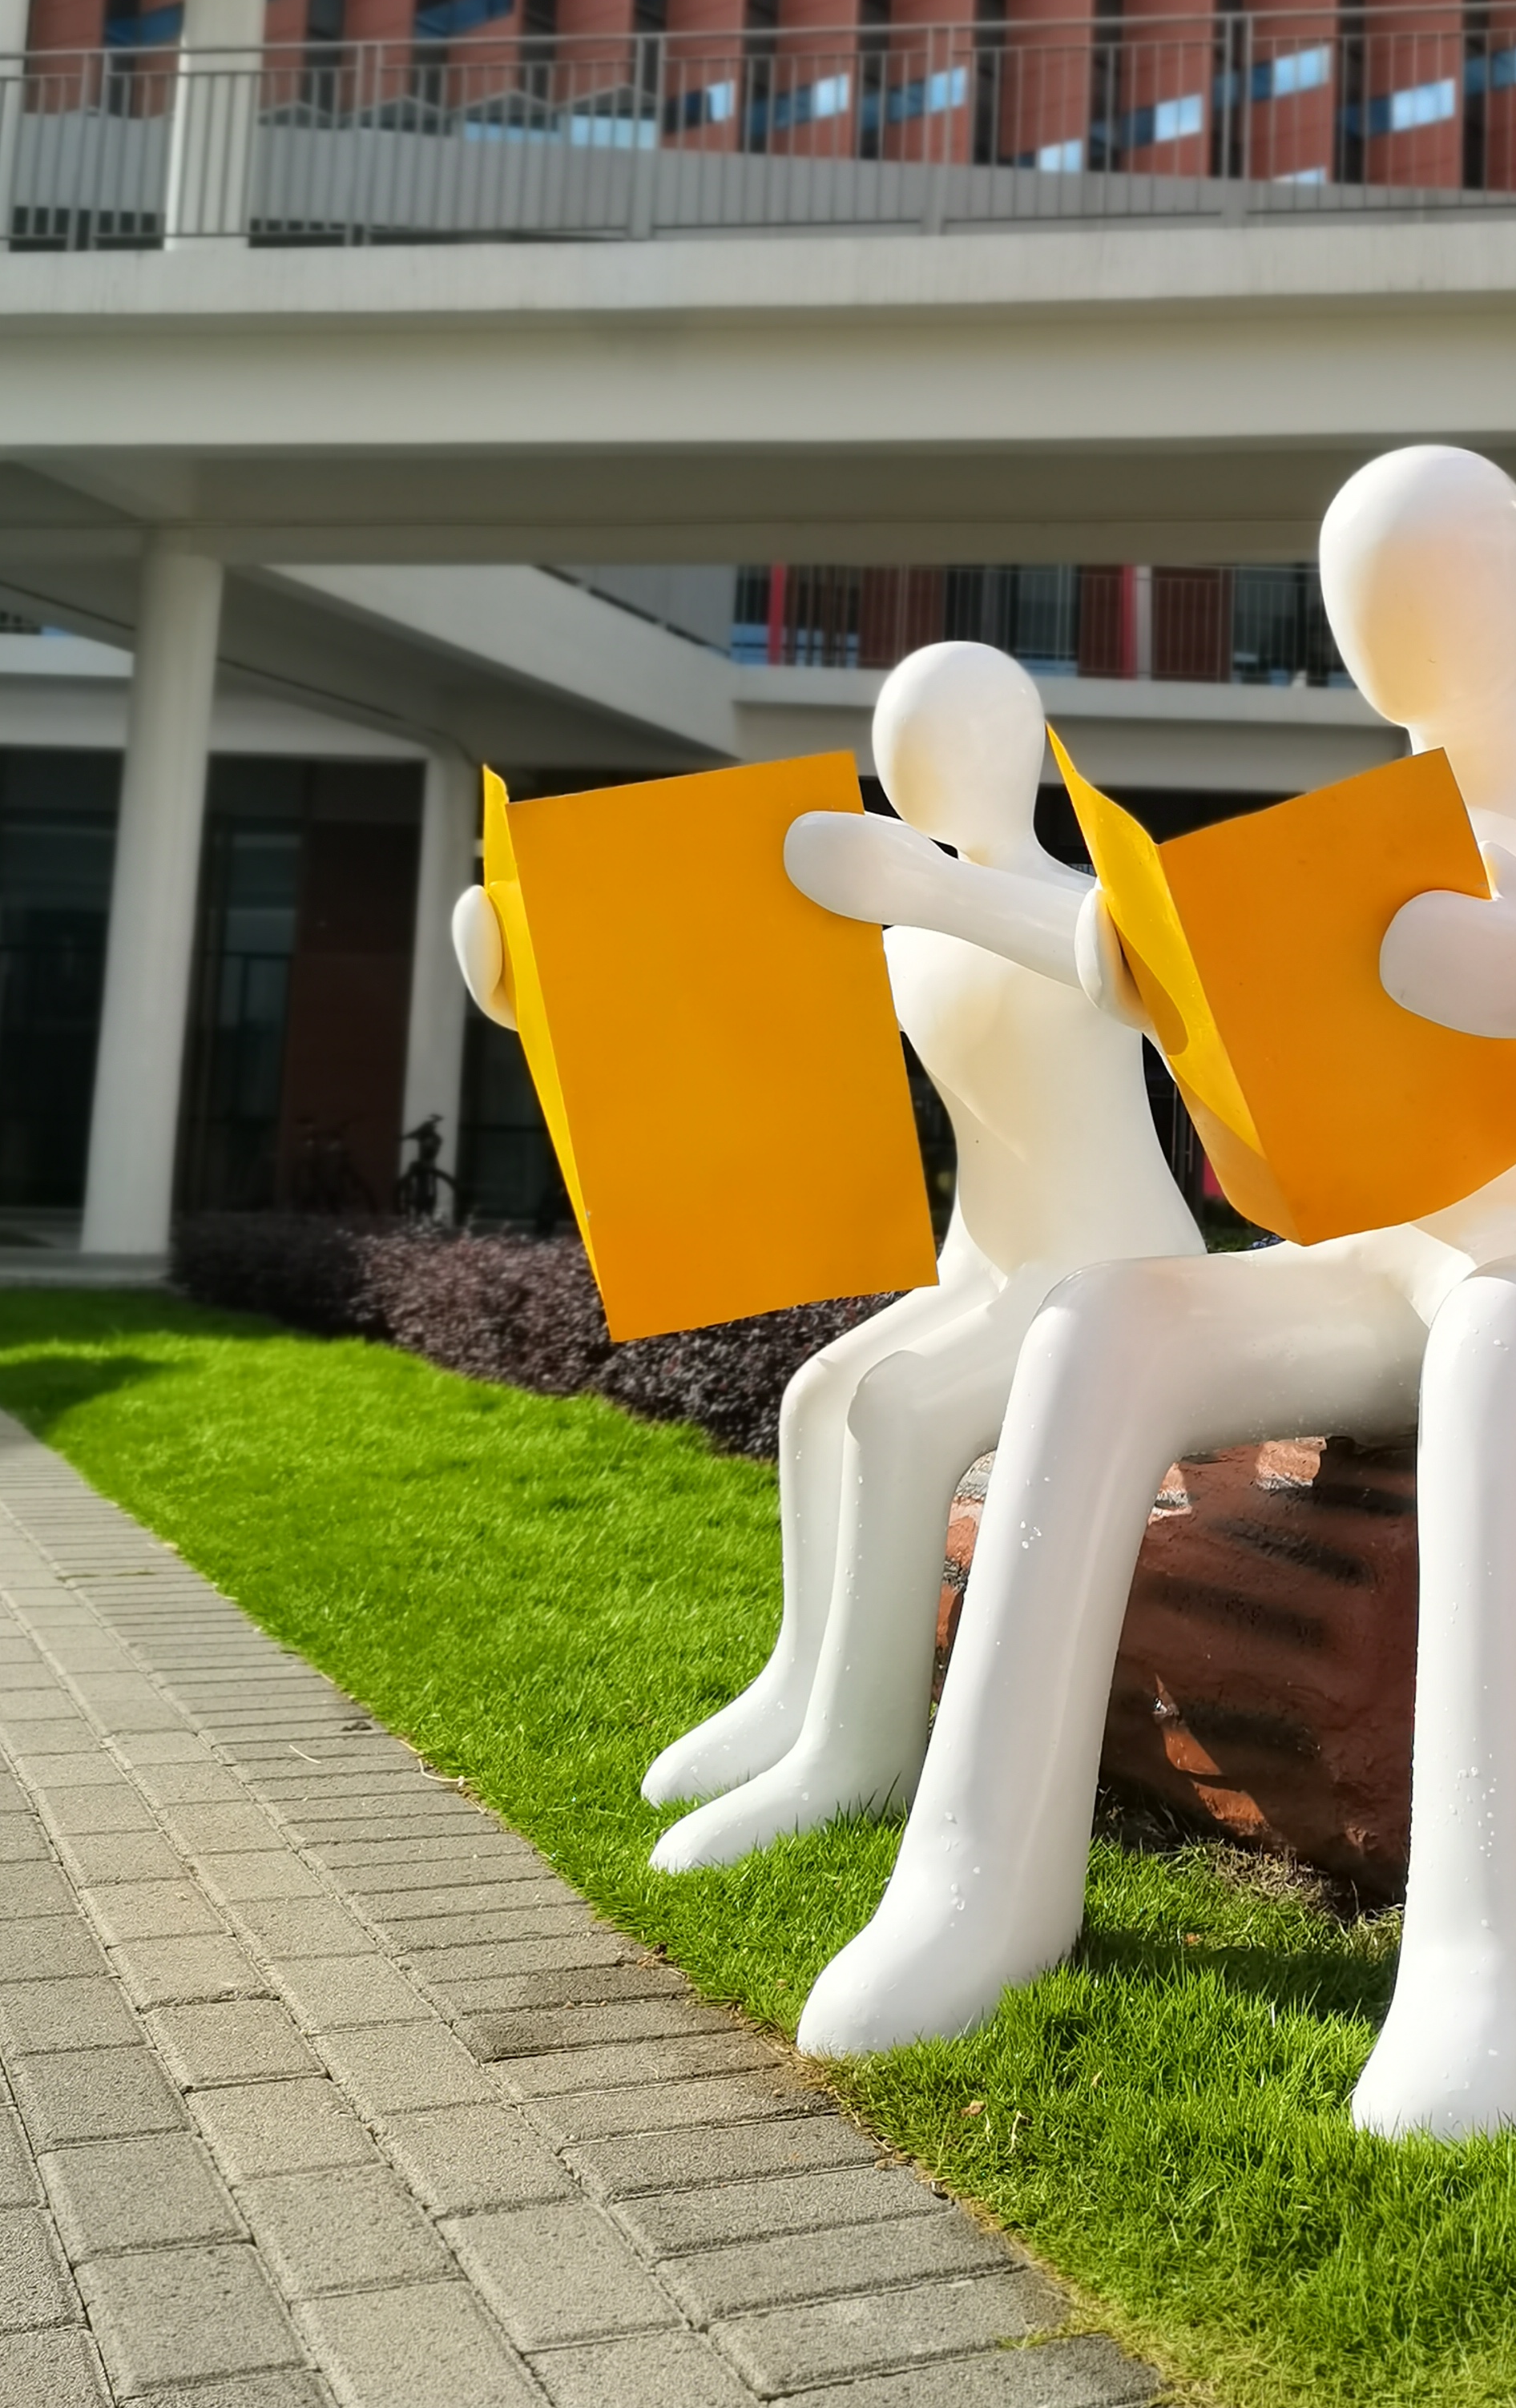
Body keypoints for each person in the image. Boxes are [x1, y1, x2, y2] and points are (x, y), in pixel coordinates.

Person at [796, 445, 1516, 2140]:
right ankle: (976, 1877)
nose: (1394, 629)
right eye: (1361, 600)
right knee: (1106, 1322)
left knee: (1506, 1341)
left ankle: (1501, 1964)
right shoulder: (1345, 847)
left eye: (1430, 584)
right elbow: (1193, 1012)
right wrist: (997, 915)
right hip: (1386, 1259)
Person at [451, 640, 1199, 1866]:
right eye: (903, 749)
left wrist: (930, 887)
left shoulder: (1075, 904)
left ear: (1022, 748)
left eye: (951, 739)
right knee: (819, 1394)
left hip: (1113, 1269)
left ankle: (866, 1748)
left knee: (903, 1411)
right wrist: (528, 980)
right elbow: (707, 1009)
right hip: (991, 1263)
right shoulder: (905, 931)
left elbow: (1139, 961)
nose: (923, 771)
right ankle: (802, 1683)